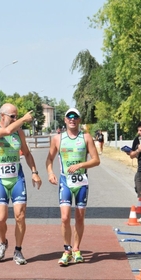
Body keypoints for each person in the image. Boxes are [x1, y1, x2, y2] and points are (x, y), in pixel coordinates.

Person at [0, 103, 42, 265]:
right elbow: (6, 132)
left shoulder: (19, 132)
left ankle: (18, 250)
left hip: (17, 178)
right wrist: (25, 119)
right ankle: (3, 242)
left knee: (20, 216)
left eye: (17, 116)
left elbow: (26, 153)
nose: (16, 119)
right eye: (13, 116)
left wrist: (34, 172)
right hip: (0, 179)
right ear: (2, 116)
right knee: (0, 219)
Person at [46, 107, 100, 266]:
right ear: (65, 120)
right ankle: (67, 250)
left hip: (81, 181)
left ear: (79, 120)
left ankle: (76, 249)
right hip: (65, 181)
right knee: (64, 218)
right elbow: (49, 160)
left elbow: (96, 160)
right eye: (69, 117)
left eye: (75, 117)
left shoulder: (86, 137)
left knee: (79, 217)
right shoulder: (57, 139)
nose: (72, 119)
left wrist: (81, 164)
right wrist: (50, 173)